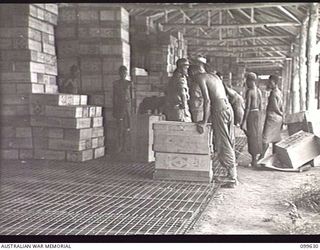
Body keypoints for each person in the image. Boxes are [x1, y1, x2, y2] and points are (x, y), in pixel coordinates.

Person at [193, 64, 237, 188]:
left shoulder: (199, 78)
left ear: (194, 73)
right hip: (228, 108)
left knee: (223, 142)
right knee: (228, 140)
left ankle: (232, 178)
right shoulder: (214, 76)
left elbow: (207, 101)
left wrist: (203, 121)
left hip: (220, 109)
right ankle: (230, 174)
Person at [241, 72, 263, 168]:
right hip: (257, 113)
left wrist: (243, 121)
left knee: (251, 136)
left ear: (250, 81)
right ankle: (255, 158)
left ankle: (254, 159)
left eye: (247, 80)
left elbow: (248, 107)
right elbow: (261, 106)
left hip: (251, 114)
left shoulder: (249, 91)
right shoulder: (259, 91)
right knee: (257, 135)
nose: (246, 82)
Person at [259, 75, 283, 160]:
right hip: (278, 120)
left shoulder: (273, 93)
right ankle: (275, 159)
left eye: (270, 82)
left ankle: (260, 158)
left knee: (265, 140)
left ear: (275, 83)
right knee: (275, 140)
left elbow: (274, 107)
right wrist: (282, 115)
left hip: (272, 118)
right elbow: (281, 106)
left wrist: (280, 114)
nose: (269, 84)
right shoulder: (279, 92)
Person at [113, 65, 134, 153]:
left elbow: (132, 97)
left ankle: (126, 146)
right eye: (122, 72)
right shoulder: (115, 83)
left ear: (126, 73)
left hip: (128, 108)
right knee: (119, 128)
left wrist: (133, 109)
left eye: (125, 72)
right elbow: (114, 97)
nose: (123, 74)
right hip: (119, 107)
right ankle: (119, 146)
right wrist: (114, 109)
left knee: (128, 128)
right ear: (119, 73)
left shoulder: (129, 83)